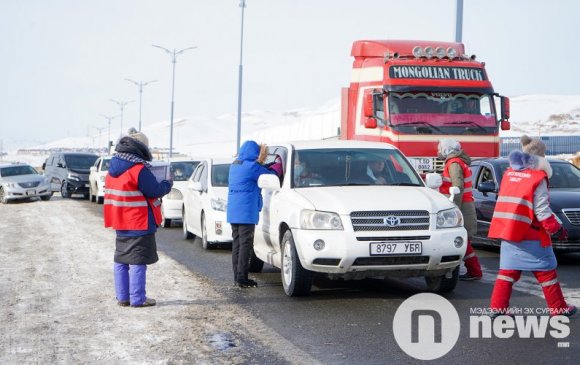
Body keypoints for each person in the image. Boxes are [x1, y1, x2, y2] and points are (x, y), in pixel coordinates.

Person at [488, 146, 576, 317]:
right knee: (546, 272)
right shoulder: (538, 178)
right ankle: (558, 308)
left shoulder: (509, 174)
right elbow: (542, 211)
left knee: (507, 271)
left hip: (509, 231)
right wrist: (557, 230)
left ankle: (497, 308)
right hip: (531, 233)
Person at [103, 128, 173, 307]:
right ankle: (138, 298)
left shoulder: (113, 169)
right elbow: (154, 191)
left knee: (121, 258)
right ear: (141, 148)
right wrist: (167, 184)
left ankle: (123, 297)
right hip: (139, 221)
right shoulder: (138, 169)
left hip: (120, 220)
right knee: (138, 260)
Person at [227, 141, 281, 288]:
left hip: (234, 212)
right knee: (246, 244)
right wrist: (277, 165)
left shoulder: (235, 165)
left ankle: (237, 277)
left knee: (237, 244)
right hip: (245, 212)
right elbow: (271, 175)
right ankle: (243, 278)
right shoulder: (251, 167)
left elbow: (260, 169)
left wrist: (267, 165)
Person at [438, 139, 482, 281]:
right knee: (465, 241)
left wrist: (452, 208)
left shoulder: (453, 163)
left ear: (447, 149)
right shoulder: (457, 162)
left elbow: (457, 187)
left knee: (463, 242)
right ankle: (474, 271)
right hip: (464, 204)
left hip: (460, 205)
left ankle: (475, 271)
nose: (438, 150)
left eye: (440, 147)